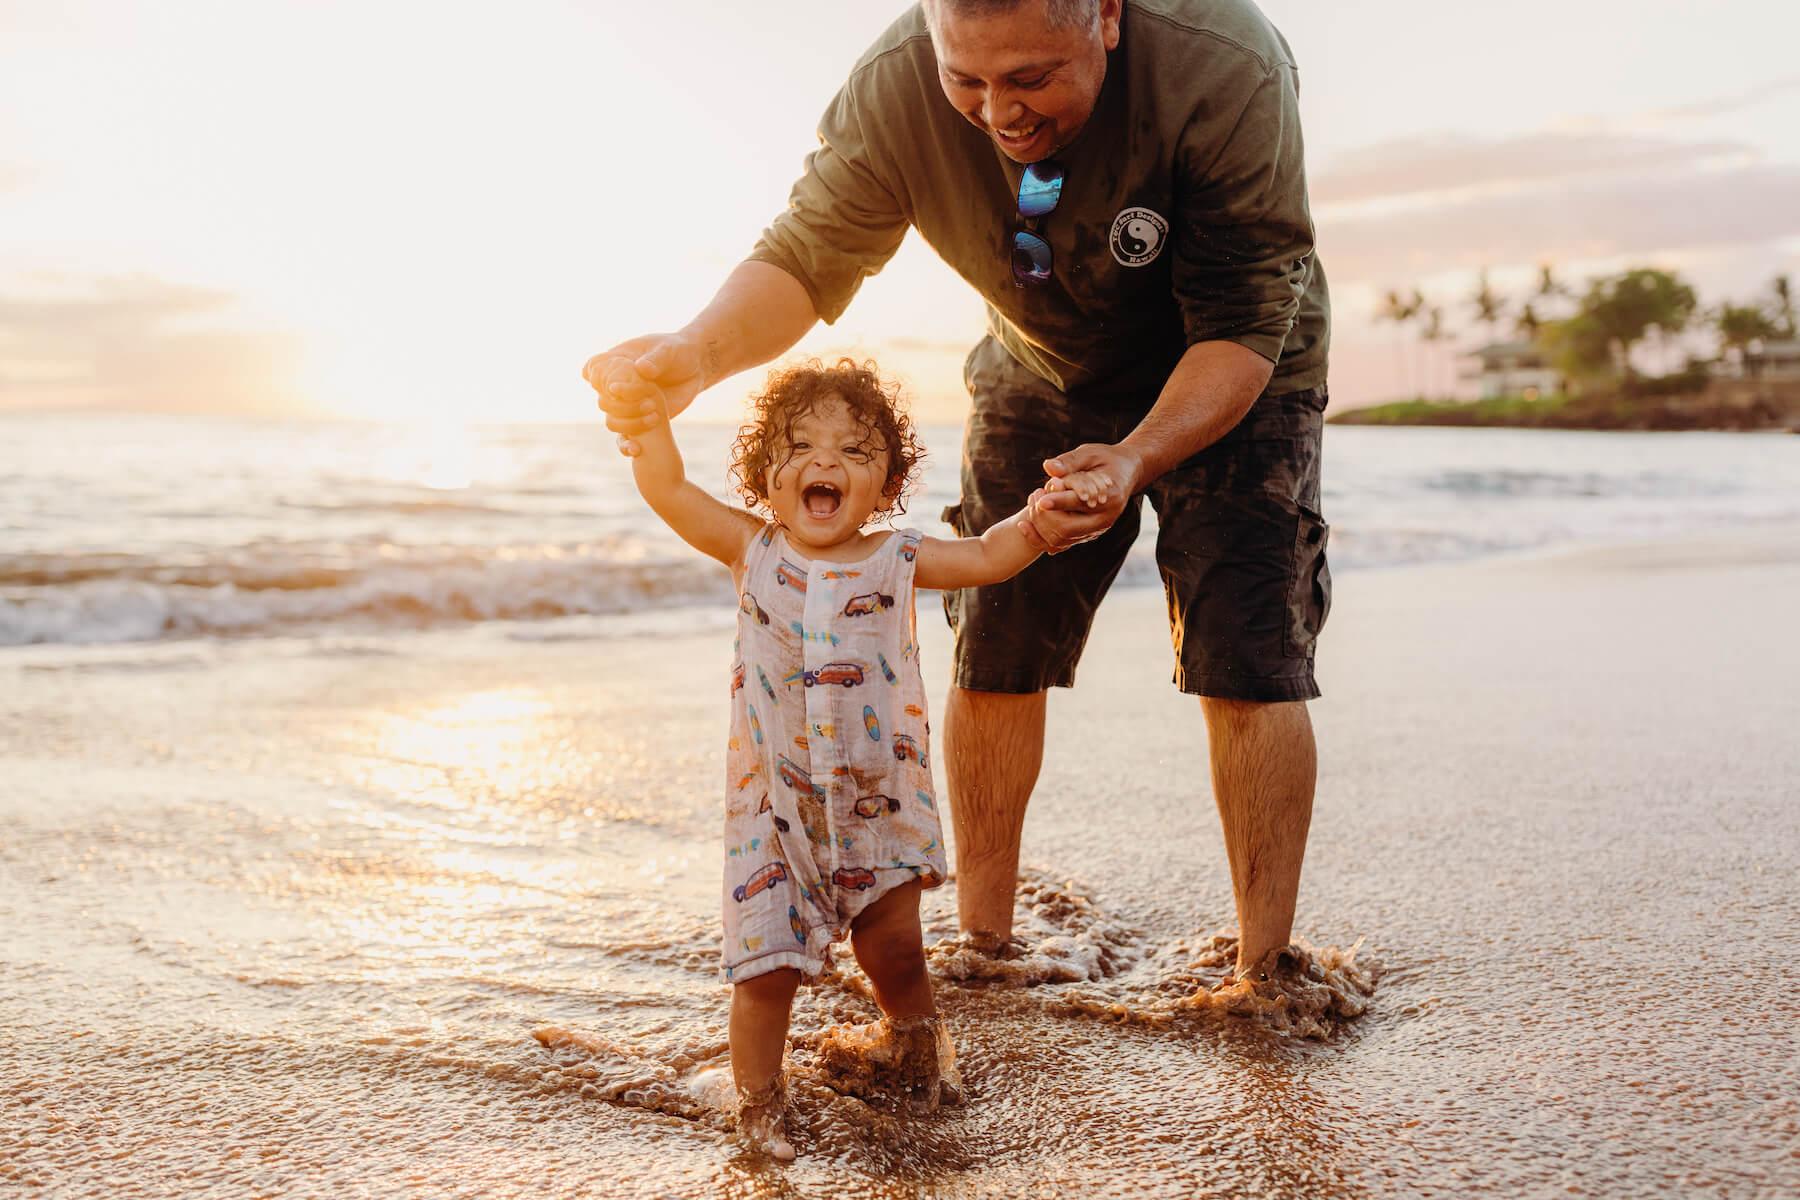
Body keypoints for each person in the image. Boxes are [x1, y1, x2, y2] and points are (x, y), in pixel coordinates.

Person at [585, 0, 1330, 985]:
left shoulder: (1224, 61)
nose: (998, 114)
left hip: (1241, 360)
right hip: (1037, 360)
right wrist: (693, 355)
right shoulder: (896, 79)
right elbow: (811, 251)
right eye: (966, 81)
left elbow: (1241, 314)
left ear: (1105, 14)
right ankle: (985, 948)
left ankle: (1263, 971)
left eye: (1029, 79)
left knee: (1247, 653)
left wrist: (1135, 457)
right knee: (998, 640)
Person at [611, 355, 1111, 1158]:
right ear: (761, 478)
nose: (825, 462)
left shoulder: (896, 559)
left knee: (897, 954)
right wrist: (648, 423)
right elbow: (667, 490)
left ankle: (918, 1059)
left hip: (879, 807)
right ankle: (760, 1111)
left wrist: (1041, 525)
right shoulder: (751, 550)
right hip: (773, 818)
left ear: (885, 484)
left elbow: (986, 555)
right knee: (763, 974)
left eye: (854, 451)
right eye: (801, 444)